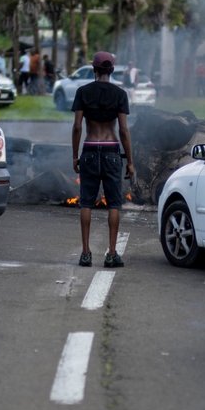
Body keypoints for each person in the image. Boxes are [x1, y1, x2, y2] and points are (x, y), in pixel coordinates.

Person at [71, 51, 134, 268]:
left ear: (94, 69)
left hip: (89, 149)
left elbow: (78, 126)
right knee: (114, 203)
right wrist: (131, 161)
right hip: (111, 151)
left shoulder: (83, 92)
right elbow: (124, 130)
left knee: (86, 202)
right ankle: (111, 254)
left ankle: (86, 253)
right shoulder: (119, 94)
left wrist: (75, 156)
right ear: (112, 70)